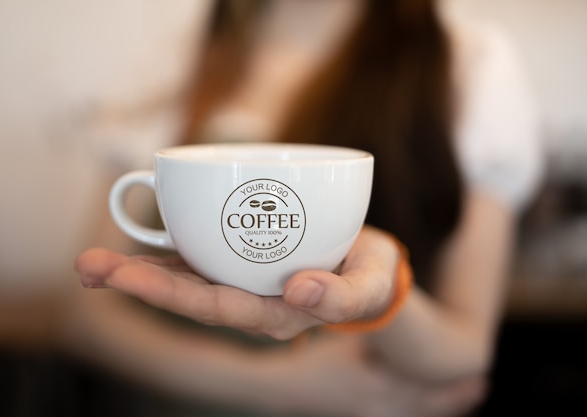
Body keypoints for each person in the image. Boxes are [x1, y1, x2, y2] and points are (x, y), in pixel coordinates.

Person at [76, 0, 544, 414]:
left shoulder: (468, 62)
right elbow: (86, 317)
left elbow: (466, 350)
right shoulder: (182, 58)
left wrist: (380, 298)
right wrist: (279, 385)